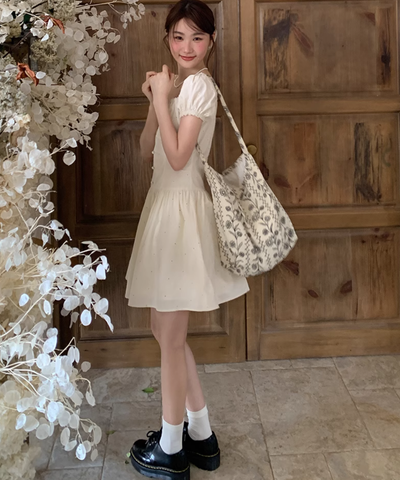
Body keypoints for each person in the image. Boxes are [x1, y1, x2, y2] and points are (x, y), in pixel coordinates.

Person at [124, 0, 249, 478]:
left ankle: (171, 449)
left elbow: (178, 158)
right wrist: (157, 99)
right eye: (178, 37)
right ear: (168, 40)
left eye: (197, 37)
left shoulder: (199, 86)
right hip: (163, 209)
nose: (187, 47)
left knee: (171, 337)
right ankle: (201, 435)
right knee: (165, 333)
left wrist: (164, 96)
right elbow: (146, 151)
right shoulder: (178, 86)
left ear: (211, 41)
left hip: (182, 214)